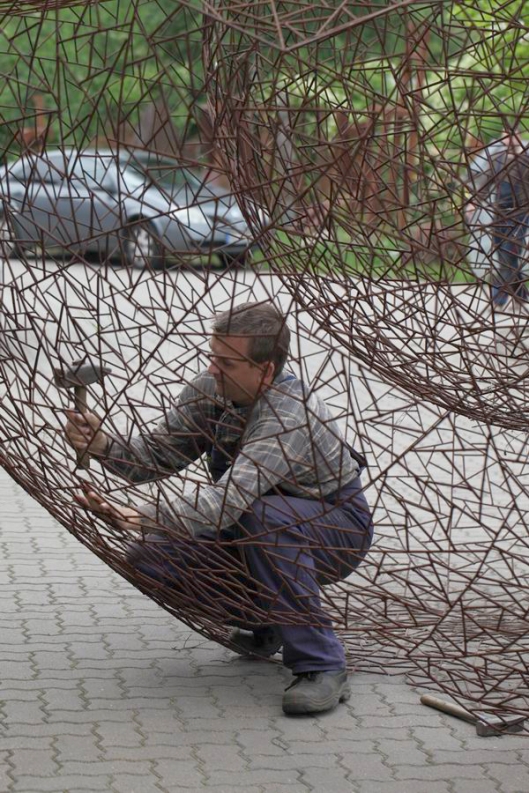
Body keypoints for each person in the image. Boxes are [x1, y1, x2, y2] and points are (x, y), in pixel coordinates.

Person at [65, 302, 374, 715]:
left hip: (334, 527)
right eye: (213, 356)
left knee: (266, 517)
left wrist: (141, 514)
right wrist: (102, 446)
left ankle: (322, 664)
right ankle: (270, 621)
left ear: (265, 370)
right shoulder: (210, 390)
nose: (213, 368)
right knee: (151, 558)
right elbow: (158, 454)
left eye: (227, 362)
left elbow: (226, 502)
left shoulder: (289, 414)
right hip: (250, 522)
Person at [465, 130, 529, 312]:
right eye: (505, 135)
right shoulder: (497, 157)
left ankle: (499, 299)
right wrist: (473, 203)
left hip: (521, 213)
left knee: (511, 252)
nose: (507, 139)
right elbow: (484, 182)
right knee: (501, 253)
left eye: (511, 134)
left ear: (518, 135)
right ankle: (520, 296)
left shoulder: (526, 155)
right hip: (500, 211)